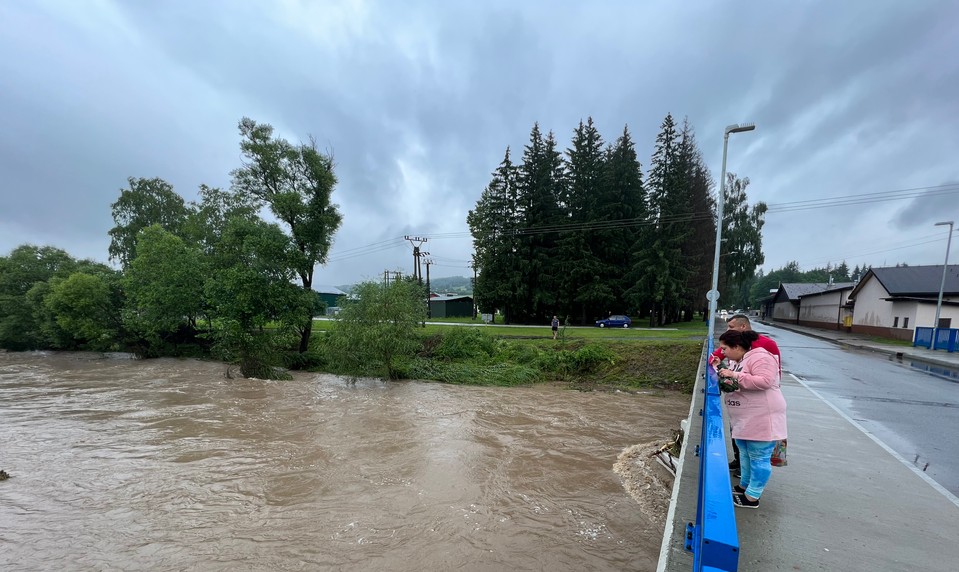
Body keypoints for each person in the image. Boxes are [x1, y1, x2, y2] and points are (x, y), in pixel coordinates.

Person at [716, 329, 787, 509]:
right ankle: (744, 486)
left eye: (724, 348)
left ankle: (752, 496)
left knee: (759, 456)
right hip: (745, 418)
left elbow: (764, 381)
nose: (722, 352)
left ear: (736, 346)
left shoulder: (761, 357)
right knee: (745, 453)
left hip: (761, 417)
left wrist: (734, 375)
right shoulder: (740, 360)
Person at [709, 314, 781, 474]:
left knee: (759, 446)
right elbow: (716, 357)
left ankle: (753, 482)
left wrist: (735, 376)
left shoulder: (766, 346)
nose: (728, 329)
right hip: (741, 403)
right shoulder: (733, 345)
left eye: (731, 327)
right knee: (740, 436)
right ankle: (741, 465)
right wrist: (720, 367)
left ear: (743, 326)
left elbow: (772, 376)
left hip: (759, 405)